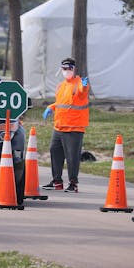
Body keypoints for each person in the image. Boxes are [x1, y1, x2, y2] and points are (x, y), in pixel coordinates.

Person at [41, 57, 89, 192]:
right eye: (64, 69)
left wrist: (84, 86)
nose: (67, 71)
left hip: (74, 128)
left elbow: (81, 93)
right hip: (59, 127)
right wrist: (51, 107)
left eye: (69, 68)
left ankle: (73, 184)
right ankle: (57, 181)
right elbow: (61, 103)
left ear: (74, 69)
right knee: (54, 151)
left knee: (72, 157)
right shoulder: (61, 86)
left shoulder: (79, 83)